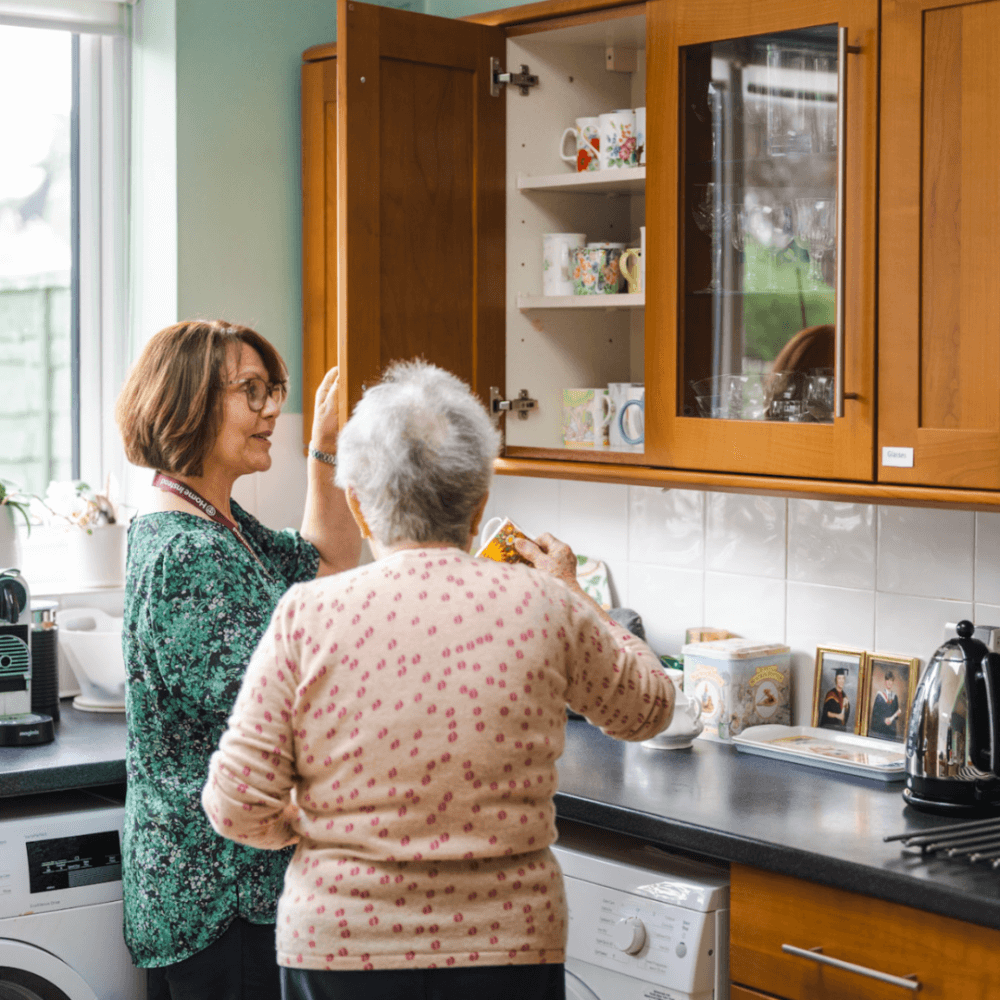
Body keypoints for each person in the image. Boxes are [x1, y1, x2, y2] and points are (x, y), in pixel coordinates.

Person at [201, 359, 677, 1000]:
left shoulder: (307, 616)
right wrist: (580, 596)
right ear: (480, 505)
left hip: (340, 943)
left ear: (359, 508)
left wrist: (325, 824)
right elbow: (649, 709)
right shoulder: (547, 605)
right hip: (505, 946)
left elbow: (235, 805)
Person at [114, 320, 362, 1000]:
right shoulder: (190, 556)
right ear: (188, 402)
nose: (269, 409)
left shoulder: (215, 522)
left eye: (272, 389)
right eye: (249, 391)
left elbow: (330, 559)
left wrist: (325, 453)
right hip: (221, 898)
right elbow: (286, 725)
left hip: (222, 890)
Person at [868, 670, 902, 738]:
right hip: (881, 730)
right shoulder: (880, 696)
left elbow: (896, 716)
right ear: (885, 682)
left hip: (891, 732)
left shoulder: (894, 697)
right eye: (888, 680)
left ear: (893, 682)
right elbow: (875, 715)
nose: (889, 683)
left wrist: (895, 716)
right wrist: (884, 720)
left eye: (891, 680)